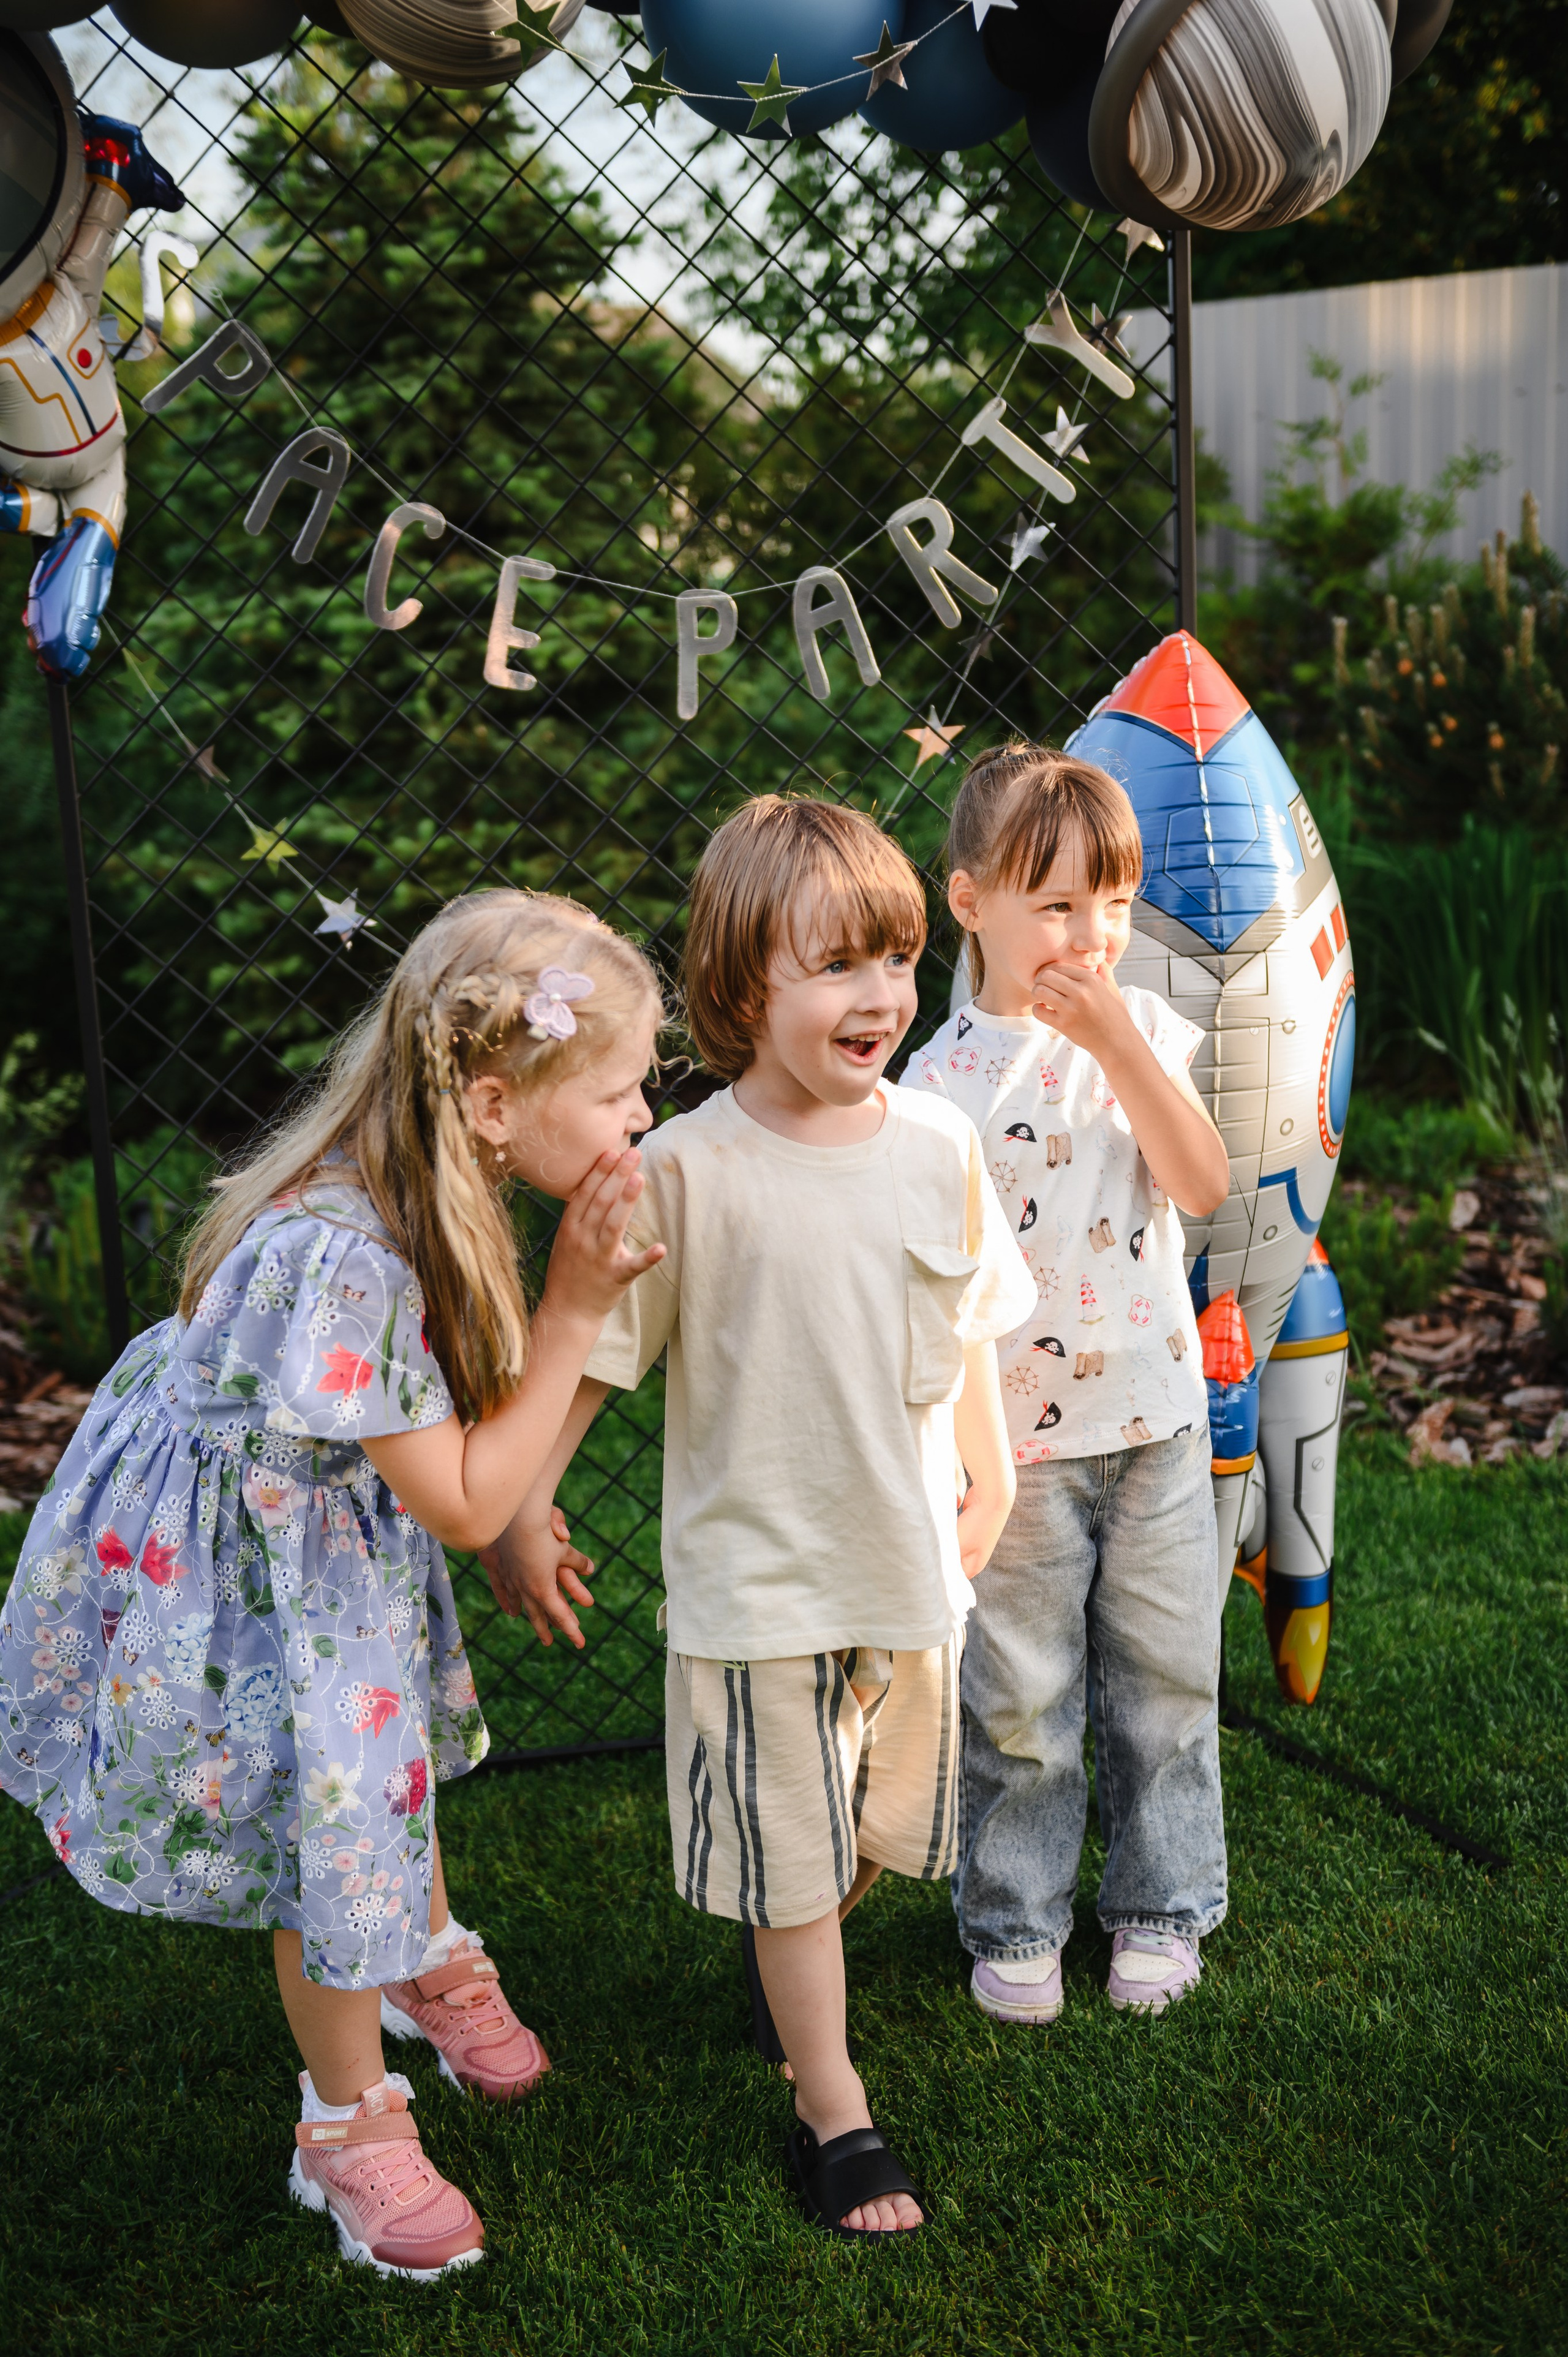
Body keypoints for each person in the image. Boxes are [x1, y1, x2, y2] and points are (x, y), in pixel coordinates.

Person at [0, 890, 665, 2280]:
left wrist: (506, 1514)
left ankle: (417, 1943)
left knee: (386, 1766)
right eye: (618, 1089)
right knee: (334, 1819)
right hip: (251, 1568)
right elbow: (466, 1483)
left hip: (316, 1527)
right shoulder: (342, 1257)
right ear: (494, 1100)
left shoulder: (422, 1166)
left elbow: (455, 1437)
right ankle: (344, 2123)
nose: (643, 1114)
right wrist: (575, 1313)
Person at [483, 798, 1035, 2241]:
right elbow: (596, 1349)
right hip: (754, 1583)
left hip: (904, 1560)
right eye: (837, 966)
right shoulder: (685, 1170)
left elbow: (968, 1315)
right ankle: (832, 2105)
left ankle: (791, 1951)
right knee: (792, 1850)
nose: (880, 998)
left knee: (867, 1834)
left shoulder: (936, 1142)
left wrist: (991, 1466)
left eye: (898, 961)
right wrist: (520, 1505)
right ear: (743, 990)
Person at [902, 742, 1232, 2026]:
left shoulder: (1141, 1026)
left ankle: (1158, 1908)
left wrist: (1118, 1044)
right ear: (968, 900)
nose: (1088, 932)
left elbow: (1199, 1186)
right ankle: (1015, 1919)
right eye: (1054, 903)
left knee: (1163, 1678)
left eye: (1110, 902)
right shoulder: (933, 1090)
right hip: (1019, 1447)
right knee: (1023, 1699)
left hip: (1150, 1422)